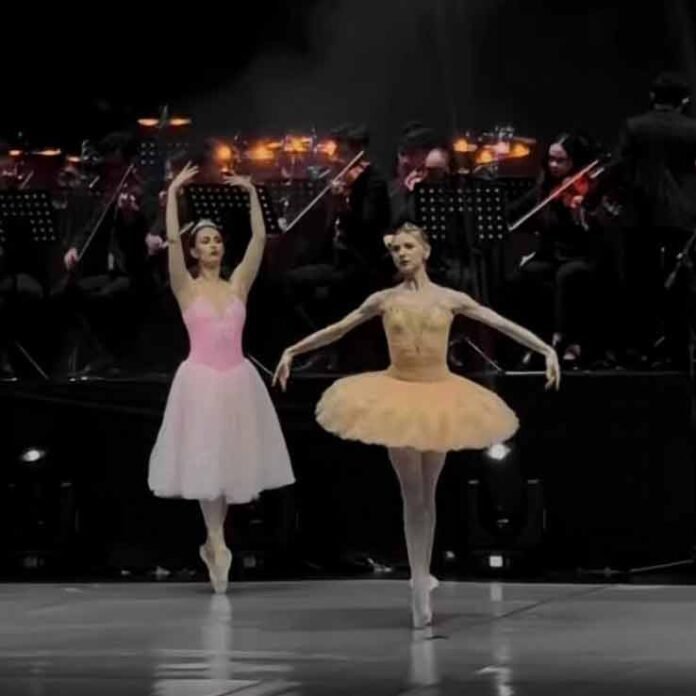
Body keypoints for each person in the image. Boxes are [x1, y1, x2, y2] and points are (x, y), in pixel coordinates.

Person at [273, 222, 560, 628]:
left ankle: (423, 574)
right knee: (412, 493)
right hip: (398, 394)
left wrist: (545, 348)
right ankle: (418, 581)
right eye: (396, 249)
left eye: (409, 247)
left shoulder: (450, 298)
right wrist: (293, 350)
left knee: (429, 490)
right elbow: (339, 328)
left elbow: (499, 322)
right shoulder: (384, 299)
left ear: (425, 251)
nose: (402, 254)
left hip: (438, 395)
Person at [148, 162, 295, 594]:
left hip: (236, 380)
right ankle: (215, 540)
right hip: (199, 381)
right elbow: (171, 242)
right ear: (194, 251)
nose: (212, 245)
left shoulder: (237, 286)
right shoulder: (186, 288)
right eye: (205, 242)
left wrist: (252, 195)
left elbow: (260, 240)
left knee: (227, 463)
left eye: (216, 240)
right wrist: (174, 194)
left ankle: (215, 540)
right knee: (204, 460)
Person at [507, 132, 603, 367]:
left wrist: (581, 213)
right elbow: (514, 210)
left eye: (561, 160)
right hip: (552, 255)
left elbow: (597, 230)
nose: (554, 165)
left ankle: (567, 342)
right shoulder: (545, 188)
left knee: (566, 275)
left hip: (582, 256)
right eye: (551, 159)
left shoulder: (587, 190)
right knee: (522, 275)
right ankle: (532, 341)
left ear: (574, 161)